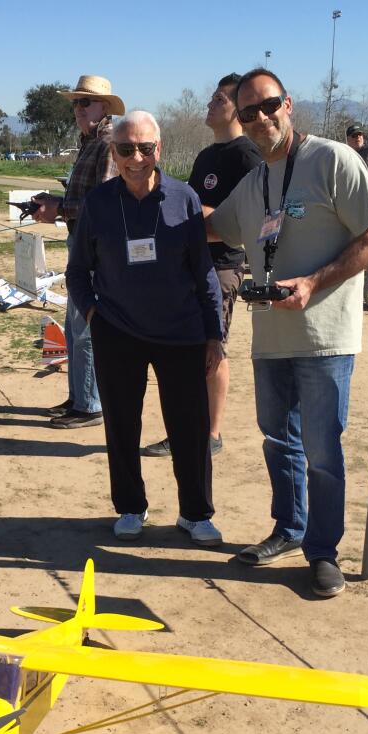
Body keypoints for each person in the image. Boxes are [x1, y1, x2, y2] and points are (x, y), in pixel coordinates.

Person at [207, 68, 368, 598]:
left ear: (288, 104)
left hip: (325, 339)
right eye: (247, 112)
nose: (259, 118)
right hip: (271, 338)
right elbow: (215, 224)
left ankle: (323, 551)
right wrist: (149, 199)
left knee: (322, 450)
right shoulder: (258, 177)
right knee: (277, 441)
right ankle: (287, 530)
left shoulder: (333, 160)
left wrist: (313, 283)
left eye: (268, 106)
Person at [67, 111, 225, 546]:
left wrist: (216, 334)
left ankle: (195, 513)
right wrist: (94, 317)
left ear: (160, 150)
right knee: (121, 425)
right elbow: (78, 271)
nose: (135, 157)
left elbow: (204, 272)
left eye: (144, 148)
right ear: (113, 153)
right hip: (118, 331)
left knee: (190, 428)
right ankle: (131, 507)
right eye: (125, 149)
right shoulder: (99, 203)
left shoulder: (185, 198)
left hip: (182, 333)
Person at [141, 73, 263, 460]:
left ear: (238, 111)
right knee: (182, 350)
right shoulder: (207, 156)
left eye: (218, 99)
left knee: (212, 348)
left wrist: (204, 219)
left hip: (222, 267)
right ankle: (183, 429)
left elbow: (250, 222)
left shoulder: (247, 156)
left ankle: (209, 433)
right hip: (190, 264)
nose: (210, 104)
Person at [31, 75, 123, 429]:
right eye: (76, 102)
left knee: (85, 326)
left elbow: (105, 203)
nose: (78, 109)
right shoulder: (88, 142)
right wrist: (59, 204)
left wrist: (60, 207)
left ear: (104, 108)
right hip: (81, 244)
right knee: (73, 327)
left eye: (86, 102)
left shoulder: (108, 143)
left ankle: (90, 405)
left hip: (98, 249)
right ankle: (79, 398)